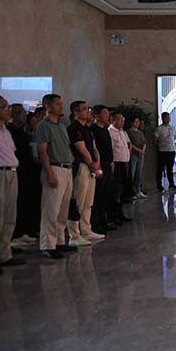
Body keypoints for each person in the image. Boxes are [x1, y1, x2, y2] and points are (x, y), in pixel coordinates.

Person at [0, 96, 24, 274]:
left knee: (9, 217)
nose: (8, 110)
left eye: (8, 107)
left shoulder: (5, 131)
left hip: (11, 173)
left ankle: (4, 254)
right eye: (3, 107)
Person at [36, 94, 76, 259]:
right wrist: (50, 173)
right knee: (51, 209)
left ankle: (59, 241)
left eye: (61, 103)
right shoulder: (43, 126)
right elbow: (42, 152)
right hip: (54, 167)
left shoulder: (61, 126)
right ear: (48, 106)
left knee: (62, 210)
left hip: (67, 168)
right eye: (57, 104)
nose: (61, 106)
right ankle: (48, 245)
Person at [66, 101, 103, 246]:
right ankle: (74, 235)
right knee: (78, 201)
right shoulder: (74, 128)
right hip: (81, 166)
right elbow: (82, 150)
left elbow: (93, 148)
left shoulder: (87, 128)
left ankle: (86, 230)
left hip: (91, 167)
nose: (88, 111)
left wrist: (97, 162)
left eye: (88, 109)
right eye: (84, 109)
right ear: (76, 112)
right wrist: (92, 164)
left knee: (88, 202)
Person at [7, 104, 39, 243]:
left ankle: (25, 230)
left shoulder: (22, 133)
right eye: (21, 113)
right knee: (17, 204)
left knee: (27, 202)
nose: (24, 115)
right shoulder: (9, 131)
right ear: (13, 114)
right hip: (17, 171)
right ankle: (16, 234)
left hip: (28, 171)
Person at [91, 105, 115, 231]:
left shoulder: (105, 129)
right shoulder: (93, 129)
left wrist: (112, 162)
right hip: (100, 165)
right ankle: (96, 223)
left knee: (106, 193)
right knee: (98, 195)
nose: (107, 116)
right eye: (105, 113)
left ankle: (104, 221)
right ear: (97, 115)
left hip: (107, 164)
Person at [109, 113, 133, 222]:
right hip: (116, 164)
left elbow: (128, 144)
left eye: (123, 119)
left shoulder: (123, 132)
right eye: (119, 119)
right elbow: (110, 149)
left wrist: (128, 153)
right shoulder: (110, 132)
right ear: (113, 120)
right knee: (116, 190)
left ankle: (121, 213)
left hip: (125, 163)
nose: (122, 122)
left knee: (123, 190)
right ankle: (113, 215)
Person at [155, 112, 176, 191]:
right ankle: (159, 185)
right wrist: (160, 146)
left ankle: (171, 184)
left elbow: (174, 137)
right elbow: (155, 140)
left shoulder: (172, 127)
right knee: (160, 169)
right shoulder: (159, 129)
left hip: (171, 150)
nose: (168, 119)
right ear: (163, 118)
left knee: (170, 169)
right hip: (162, 151)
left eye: (169, 117)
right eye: (166, 117)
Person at [127, 117, 147, 199]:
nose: (137, 123)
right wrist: (138, 150)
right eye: (135, 121)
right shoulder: (129, 132)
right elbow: (130, 144)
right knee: (132, 173)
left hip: (140, 155)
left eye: (138, 121)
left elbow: (144, 142)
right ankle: (131, 192)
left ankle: (138, 190)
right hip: (133, 154)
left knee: (139, 173)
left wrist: (143, 150)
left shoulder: (140, 132)